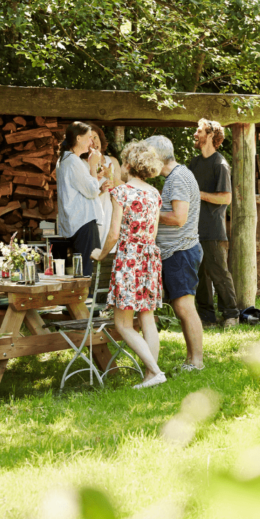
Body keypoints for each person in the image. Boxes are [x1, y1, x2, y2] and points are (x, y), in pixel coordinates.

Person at [92, 140, 167, 389]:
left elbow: (113, 234)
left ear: (128, 164)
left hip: (130, 259)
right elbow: (153, 232)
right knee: (147, 318)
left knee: (122, 324)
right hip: (149, 257)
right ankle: (150, 376)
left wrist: (101, 255)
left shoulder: (121, 193)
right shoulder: (154, 194)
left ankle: (155, 371)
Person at [146, 135, 205, 371]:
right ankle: (191, 360)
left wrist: (151, 211)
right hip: (177, 252)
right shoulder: (176, 176)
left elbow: (179, 218)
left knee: (184, 308)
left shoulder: (178, 177)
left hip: (181, 251)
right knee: (182, 308)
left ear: (157, 156)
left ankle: (196, 361)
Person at [188, 119, 239, 328]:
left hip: (213, 229)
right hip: (192, 228)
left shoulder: (220, 164)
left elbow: (226, 198)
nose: (195, 134)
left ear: (210, 135)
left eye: (199, 131)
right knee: (199, 275)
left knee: (219, 273)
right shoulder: (194, 163)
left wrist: (198, 194)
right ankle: (207, 318)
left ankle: (231, 315)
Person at [56, 122, 110, 277]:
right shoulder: (73, 161)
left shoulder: (64, 159)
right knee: (89, 271)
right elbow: (92, 191)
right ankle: (87, 300)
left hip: (76, 223)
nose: (91, 143)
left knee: (82, 269)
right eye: (88, 138)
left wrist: (93, 176)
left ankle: (83, 299)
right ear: (78, 138)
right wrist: (93, 167)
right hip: (84, 223)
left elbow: (82, 188)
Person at [87, 123, 122, 251]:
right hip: (92, 211)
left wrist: (110, 175)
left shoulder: (112, 161)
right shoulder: (82, 163)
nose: (93, 142)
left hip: (111, 209)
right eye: (89, 138)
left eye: (95, 137)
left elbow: (124, 188)